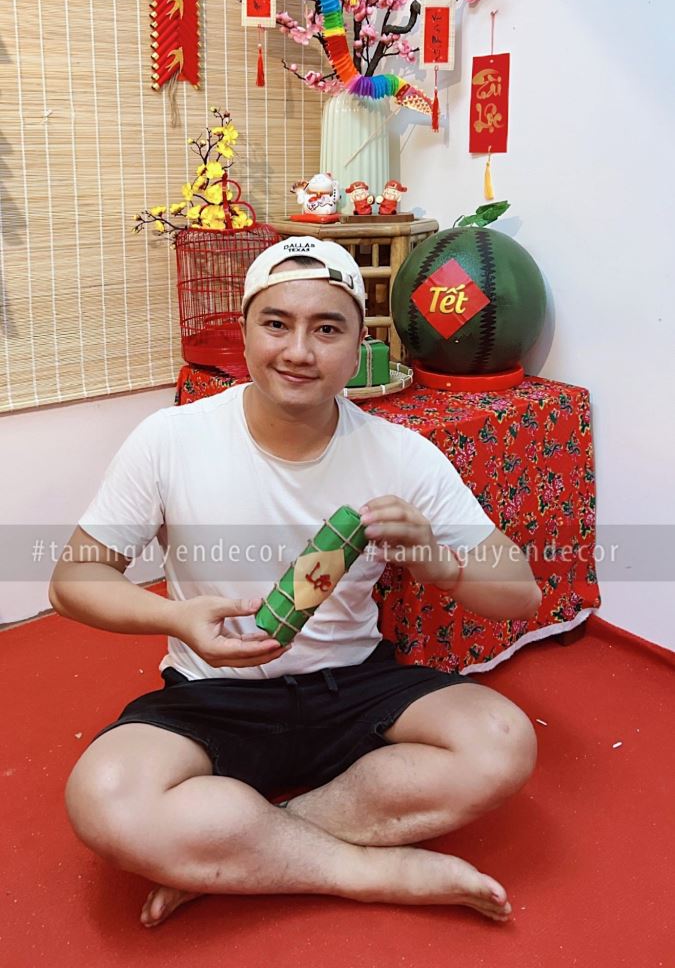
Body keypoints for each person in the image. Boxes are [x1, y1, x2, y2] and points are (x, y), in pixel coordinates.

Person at [49, 236, 542, 930]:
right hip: (214, 691)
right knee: (105, 798)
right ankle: (368, 871)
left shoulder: (400, 453)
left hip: (354, 685)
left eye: (328, 329)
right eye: (276, 323)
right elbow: (73, 579)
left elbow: (520, 593)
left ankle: (249, 845)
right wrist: (176, 620)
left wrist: (437, 560)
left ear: (360, 345)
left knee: (501, 739)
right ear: (245, 331)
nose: (298, 352)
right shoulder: (171, 438)